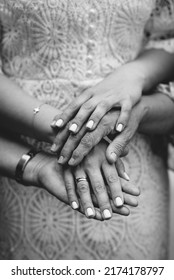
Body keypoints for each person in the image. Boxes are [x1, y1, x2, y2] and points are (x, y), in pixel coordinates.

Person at [0, 0, 174, 260]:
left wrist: (135, 74)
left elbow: (166, 37)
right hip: (23, 152)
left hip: (129, 161)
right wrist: (71, 132)